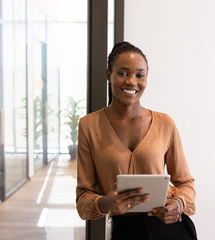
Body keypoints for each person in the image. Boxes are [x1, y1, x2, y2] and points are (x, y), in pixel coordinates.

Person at [76, 41, 197, 240]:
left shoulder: (165, 123)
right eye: (123, 73)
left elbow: (186, 184)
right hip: (125, 230)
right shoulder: (89, 126)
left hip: (171, 229)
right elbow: (83, 200)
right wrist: (106, 203)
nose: (132, 81)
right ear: (109, 75)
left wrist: (179, 205)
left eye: (140, 75)